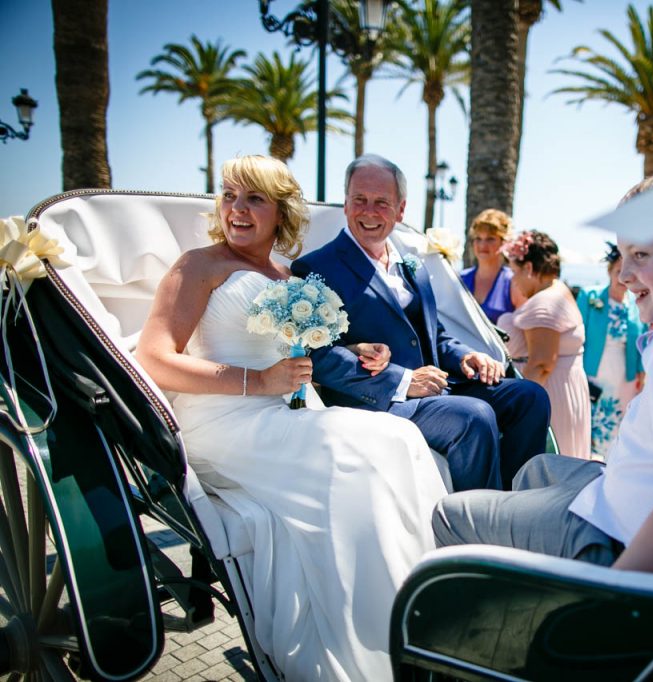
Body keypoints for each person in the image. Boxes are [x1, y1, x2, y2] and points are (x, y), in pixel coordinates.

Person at [136, 155, 448, 681]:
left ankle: (416, 622)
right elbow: (155, 358)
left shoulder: (284, 275)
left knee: (401, 438)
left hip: (290, 411)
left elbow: (304, 354)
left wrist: (358, 347)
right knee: (361, 454)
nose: (237, 209)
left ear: (280, 211)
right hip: (224, 419)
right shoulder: (198, 266)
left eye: (254, 198)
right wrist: (255, 382)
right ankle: (375, 640)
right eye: (230, 195)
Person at [433, 174, 653, 573]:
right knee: (534, 469)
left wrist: (611, 604)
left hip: (612, 532)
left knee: (447, 514)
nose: (625, 274)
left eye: (641, 255)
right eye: (622, 255)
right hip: (616, 500)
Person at [292, 154, 551, 491]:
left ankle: (515, 503)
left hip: (440, 386)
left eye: (381, 202)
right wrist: (402, 381)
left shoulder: (411, 265)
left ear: (400, 210)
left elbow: (434, 335)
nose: (369, 211)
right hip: (378, 402)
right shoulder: (315, 268)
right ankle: (477, 520)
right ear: (346, 203)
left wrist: (464, 356)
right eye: (360, 200)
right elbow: (319, 357)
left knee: (530, 396)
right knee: (474, 416)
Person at [495, 230, 591, 458]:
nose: (514, 281)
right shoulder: (557, 290)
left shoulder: (544, 304)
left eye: (515, 272)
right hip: (565, 387)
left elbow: (541, 364)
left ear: (528, 268)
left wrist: (518, 411)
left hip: (552, 395)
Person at [576, 241, 646, 461]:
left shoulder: (635, 304)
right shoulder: (590, 297)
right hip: (593, 372)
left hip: (624, 376)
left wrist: (641, 373)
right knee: (589, 423)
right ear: (609, 271)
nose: (622, 277)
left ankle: (610, 465)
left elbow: (642, 340)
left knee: (618, 426)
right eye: (617, 271)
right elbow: (578, 335)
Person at [460, 208, 524, 323]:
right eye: (478, 238)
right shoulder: (460, 279)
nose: (482, 245)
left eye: (490, 239)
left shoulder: (513, 283)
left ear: (503, 242)